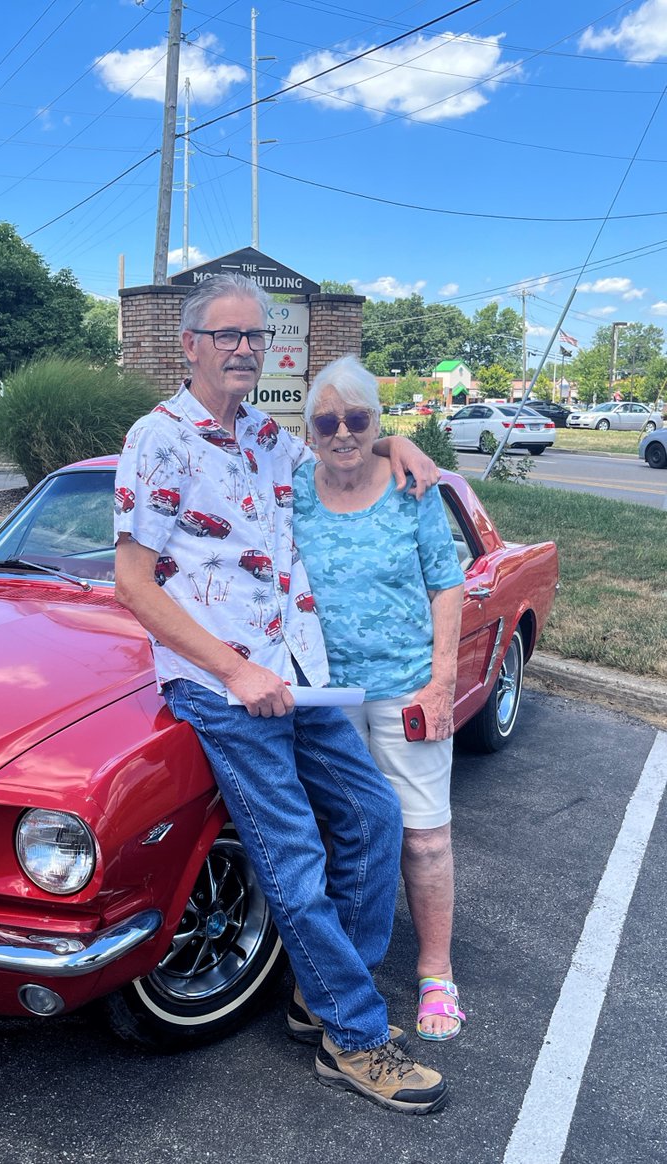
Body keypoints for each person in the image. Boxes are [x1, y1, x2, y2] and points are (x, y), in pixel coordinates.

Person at [113, 273, 448, 1115]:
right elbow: (133, 583)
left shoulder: (265, 436)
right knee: (293, 859)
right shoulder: (159, 441)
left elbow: (343, 448)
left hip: (302, 676)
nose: (244, 350)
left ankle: (319, 989)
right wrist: (233, 670)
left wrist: (396, 442)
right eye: (227, 336)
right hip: (227, 690)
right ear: (189, 345)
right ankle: (355, 1038)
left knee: (372, 820)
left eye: (255, 337)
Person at [292, 355, 467, 1041]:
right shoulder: (293, 488)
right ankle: (341, 976)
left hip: (405, 689)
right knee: (344, 837)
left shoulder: (411, 490)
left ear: (375, 421)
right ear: (308, 430)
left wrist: (443, 679)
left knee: (424, 837)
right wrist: (395, 438)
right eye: (327, 420)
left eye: (358, 419)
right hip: (324, 697)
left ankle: (435, 973)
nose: (343, 432)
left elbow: (446, 583)